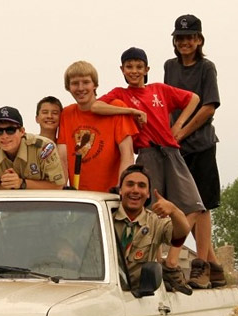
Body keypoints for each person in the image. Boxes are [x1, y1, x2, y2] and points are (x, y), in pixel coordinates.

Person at [94, 47, 205, 290]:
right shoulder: (120, 94)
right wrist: (131, 111)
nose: (134, 71)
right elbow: (95, 106)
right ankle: (155, 266)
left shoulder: (159, 89)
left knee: (194, 205)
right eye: (129, 67)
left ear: (146, 69)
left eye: (138, 66)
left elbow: (194, 99)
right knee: (149, 211)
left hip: (171, 150)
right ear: (122, 70)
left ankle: (171, 263)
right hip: (146, 153)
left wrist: (179, 126)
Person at [164, 14, 226, 288]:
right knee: (181, 205)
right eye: (180, 38)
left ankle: (200, 266)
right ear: (174, 41)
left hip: (200, 144)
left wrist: (181, 131)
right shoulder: (169, 67)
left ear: (199, 40)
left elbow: (208, 107)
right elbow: (166, 101)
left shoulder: (206, 68)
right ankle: (214, 266)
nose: (185, 42)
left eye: (190, 37)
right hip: (174, 146)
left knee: (201, 205)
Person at [56, 61, 138, 193]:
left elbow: (127, 154)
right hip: (79, 197)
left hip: (110, 196)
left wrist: (121, 188)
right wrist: (62, 190)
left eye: (86, 82)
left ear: (95, 85)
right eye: (75, 83)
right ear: (68, 87)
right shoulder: (67, 113)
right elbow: (62, 158)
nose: (80, 88)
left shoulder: (116, 108)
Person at [113, 165, 192, 295]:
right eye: (130, 184)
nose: (135, 190)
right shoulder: (105, 216)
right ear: (120, 190)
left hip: (137, 297)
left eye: (142, 186)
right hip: (106, 293)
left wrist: (173, 210)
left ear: (148, 193)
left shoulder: (155, 222)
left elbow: (182, 232)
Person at [0, 106, 66, 190]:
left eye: (10, 130)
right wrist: (7, 183)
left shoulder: (43, 148)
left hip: (42, 203)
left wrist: (22, 183)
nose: (4, 136)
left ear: (22, 131)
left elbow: (57, 186)